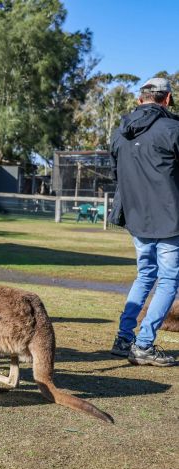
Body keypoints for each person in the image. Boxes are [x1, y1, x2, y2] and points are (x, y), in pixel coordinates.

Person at [109, 77, 178, 367]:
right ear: (168, 99)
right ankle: (144, 344)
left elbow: (117, 175)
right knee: (168, 279)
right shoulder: (173, 129)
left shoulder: (118, 133)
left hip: (136, 217)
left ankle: (124, 338)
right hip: (170, 217)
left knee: (145, 274)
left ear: (140, 100)